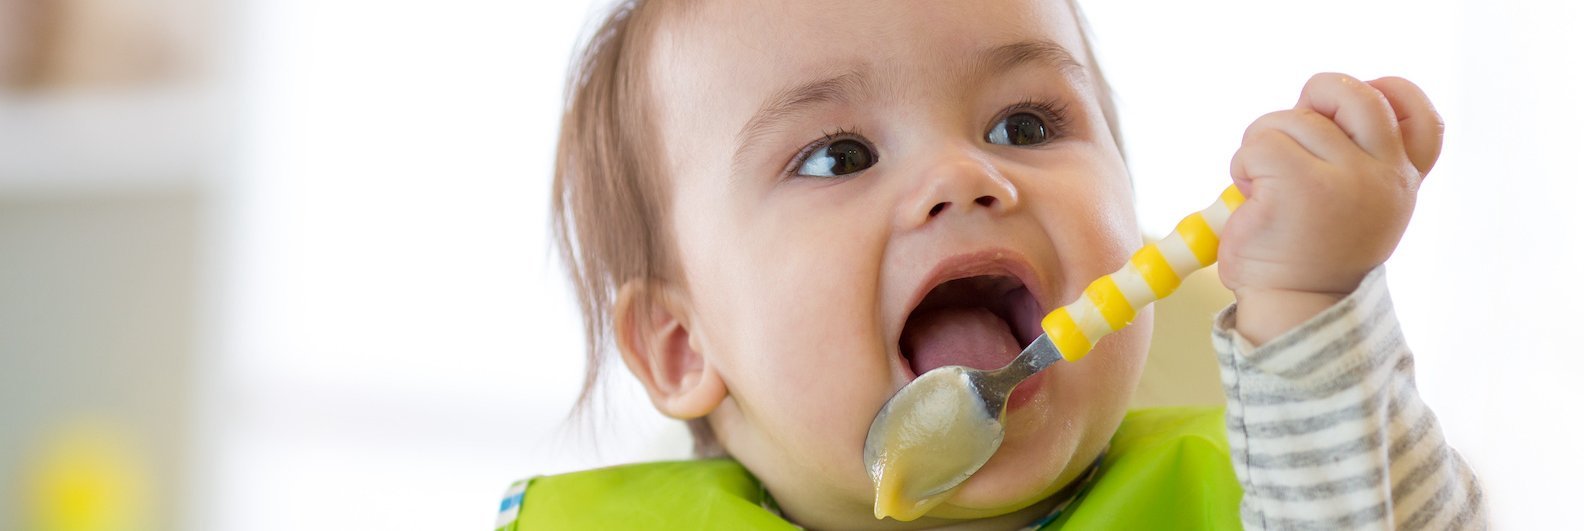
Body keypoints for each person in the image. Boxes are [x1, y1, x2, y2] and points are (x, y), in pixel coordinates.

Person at [499, 0, 1484, 528]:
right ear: (680, 345)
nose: (964, 174)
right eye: (838, 155)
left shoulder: (1250, 494)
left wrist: (1310, 305)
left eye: (1024, 123)